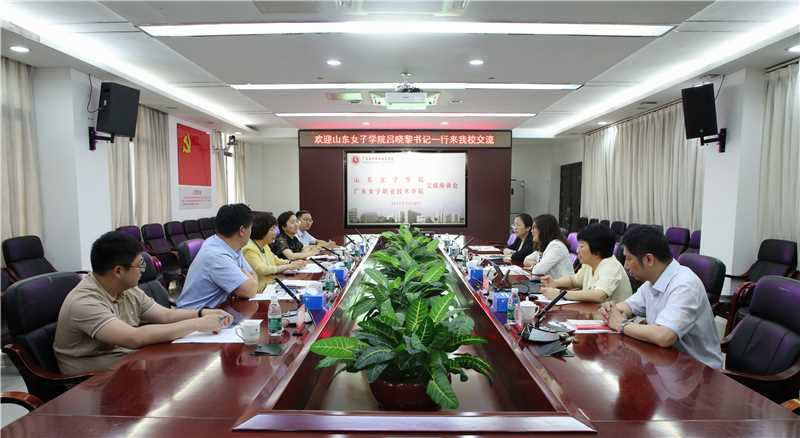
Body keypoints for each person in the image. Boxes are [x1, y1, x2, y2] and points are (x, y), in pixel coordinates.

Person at [54, 231, 232, 375]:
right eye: (139, 265)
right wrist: (197, 324)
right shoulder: (84, 302)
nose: (142, 270)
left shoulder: (126, 288)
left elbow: (165, 315)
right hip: (88, 381)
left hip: (125, 362)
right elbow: (133, 338)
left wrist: (202, 313)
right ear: (118, 271)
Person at [600, 225, 723, 369]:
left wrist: (622, 325)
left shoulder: (685, 285)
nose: (626, 266)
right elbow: (627, 307)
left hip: (699, 371)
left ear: (649, 259)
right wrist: (611, 310)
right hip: (666, 361)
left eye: (628, 259)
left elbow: (664, 336)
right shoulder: (652, 281)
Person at [177, 203, 259, 309]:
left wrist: (245, 275)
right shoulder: (216, 255)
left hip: (218, 310)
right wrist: (246, 276)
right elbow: (250, 290)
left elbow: (254, 277)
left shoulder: (231, 246)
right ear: (242, 230)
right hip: (194, 315)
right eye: (251, 228)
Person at [539, 223, 632, 303]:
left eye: (581, 246)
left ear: (596, 250)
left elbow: (599, 295)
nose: (577, 250)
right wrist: (555, 283)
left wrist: (560, 294)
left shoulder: (611, 266)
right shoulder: (589, 263)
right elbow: (574, 280)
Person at [242, 212, 308, 292]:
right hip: (260, 291)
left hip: (271, 284)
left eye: (275, 229)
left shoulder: (265, 245)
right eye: (272, 229)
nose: (276, 233)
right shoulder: (249, 249)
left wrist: (291, 263)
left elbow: (276, 260)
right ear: (262, 230)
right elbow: (263, 269)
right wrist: (288, 266)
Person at [523, 214, 574, 279]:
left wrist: (535, 266)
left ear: (544, 230)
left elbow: (538, 271)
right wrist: (536, 265)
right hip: (552, 283)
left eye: (534, 228)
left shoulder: (556, 246)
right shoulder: (545, 246)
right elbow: (526, 260)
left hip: (563, 285)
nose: (531, 231)